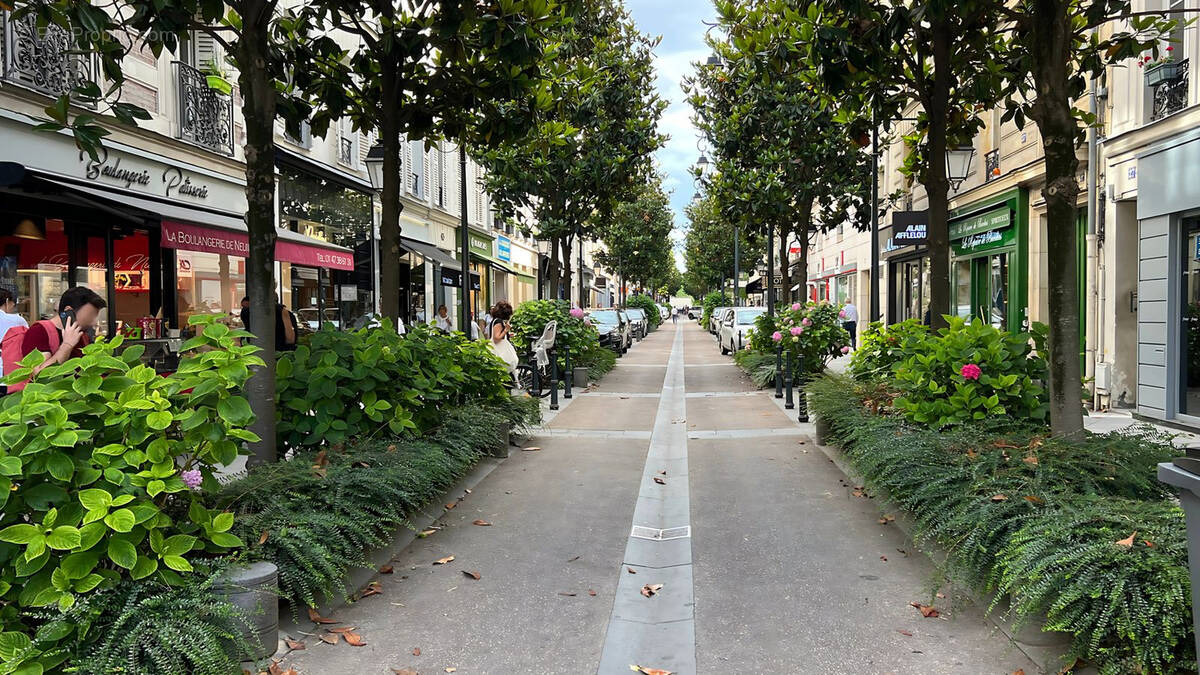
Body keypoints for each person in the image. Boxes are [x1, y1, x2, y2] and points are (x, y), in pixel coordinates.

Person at [4, 287, 106, 390]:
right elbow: (41, 374)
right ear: (68, 311)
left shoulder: (81, 335)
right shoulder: (39, 331)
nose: (93, 322)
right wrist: (67, 345)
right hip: (49, 402)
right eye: (90, 316)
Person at [487, 300, 519, 373]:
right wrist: (506, 330)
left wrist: (507, 335)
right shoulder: (498, 322)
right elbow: (496, 338)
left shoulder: (495, 320)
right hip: (498, 350)